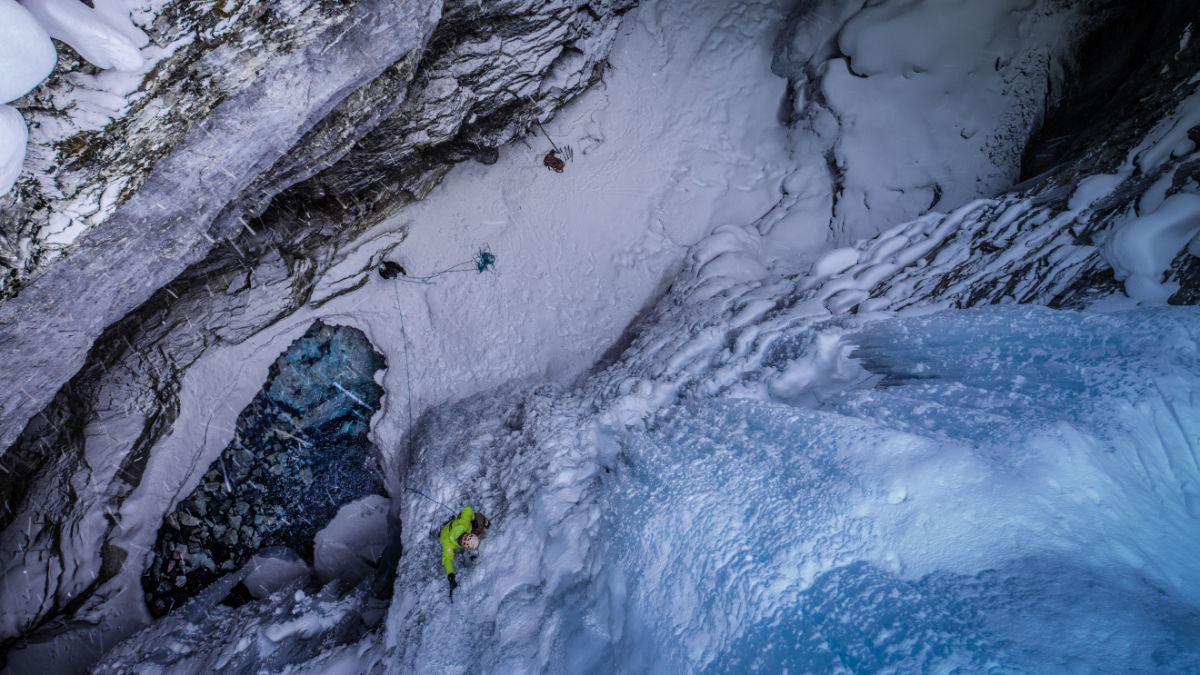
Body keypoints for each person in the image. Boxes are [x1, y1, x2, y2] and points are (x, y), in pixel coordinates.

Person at [439, 506, 490, 601]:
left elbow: (468, 509)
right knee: (477, 523)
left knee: (477, 519)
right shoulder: (448, 544)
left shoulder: (464, 523)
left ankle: (485, 522)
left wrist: (473, 519)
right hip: (445, 533)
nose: (464, 540)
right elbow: (447, 559)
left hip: (457, 525)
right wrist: (450, 573)